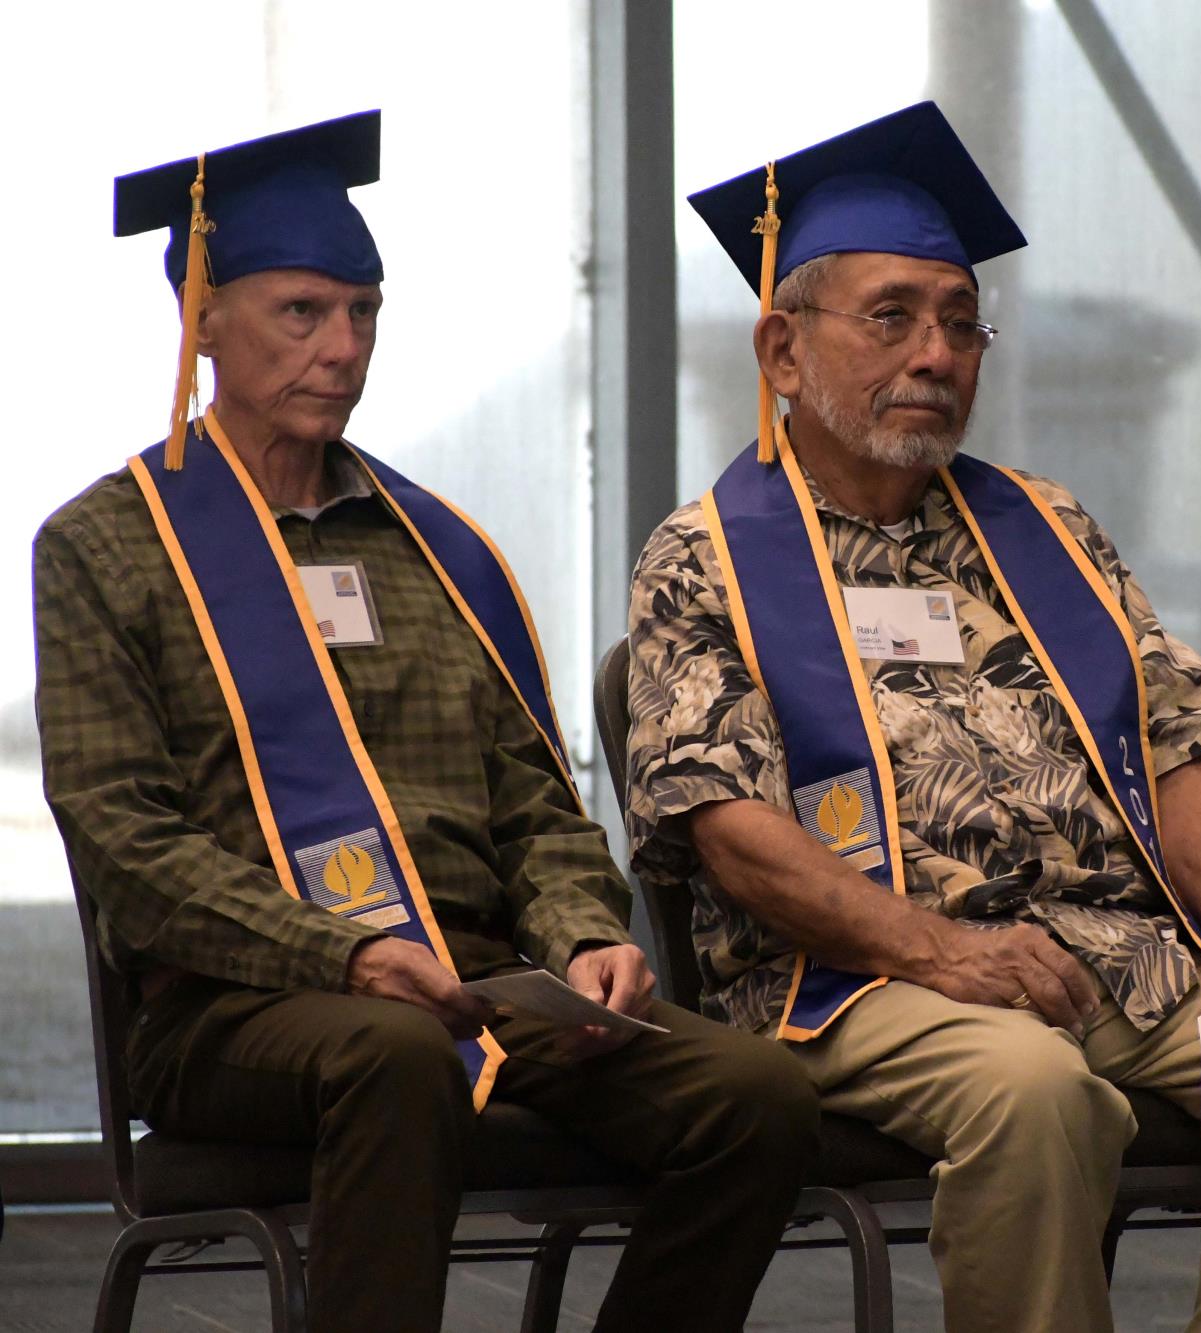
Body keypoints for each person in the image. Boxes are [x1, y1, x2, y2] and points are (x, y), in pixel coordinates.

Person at [625, 102, 1201, 1333]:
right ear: (781, 350)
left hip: (1118, 959)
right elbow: (728, 831)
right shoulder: (706, 557)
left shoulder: (1045, 525)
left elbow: (1173, 737)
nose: (936, 353)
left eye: (961, 323)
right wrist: (940, 952)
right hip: (863, 983)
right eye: (891, 317)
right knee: (1035, 1093)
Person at [36, 111, 817, 1333]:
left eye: (364, 313)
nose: (341, 348)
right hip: (234, 1003)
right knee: (392, 1056)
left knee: (754, 1092)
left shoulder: (435, 548)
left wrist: (578, 939)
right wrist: (340, 954)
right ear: (201, 323)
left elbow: (536, 801)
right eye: (302, 313)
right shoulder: (104, 549)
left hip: (483, 983)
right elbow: (124, 844)